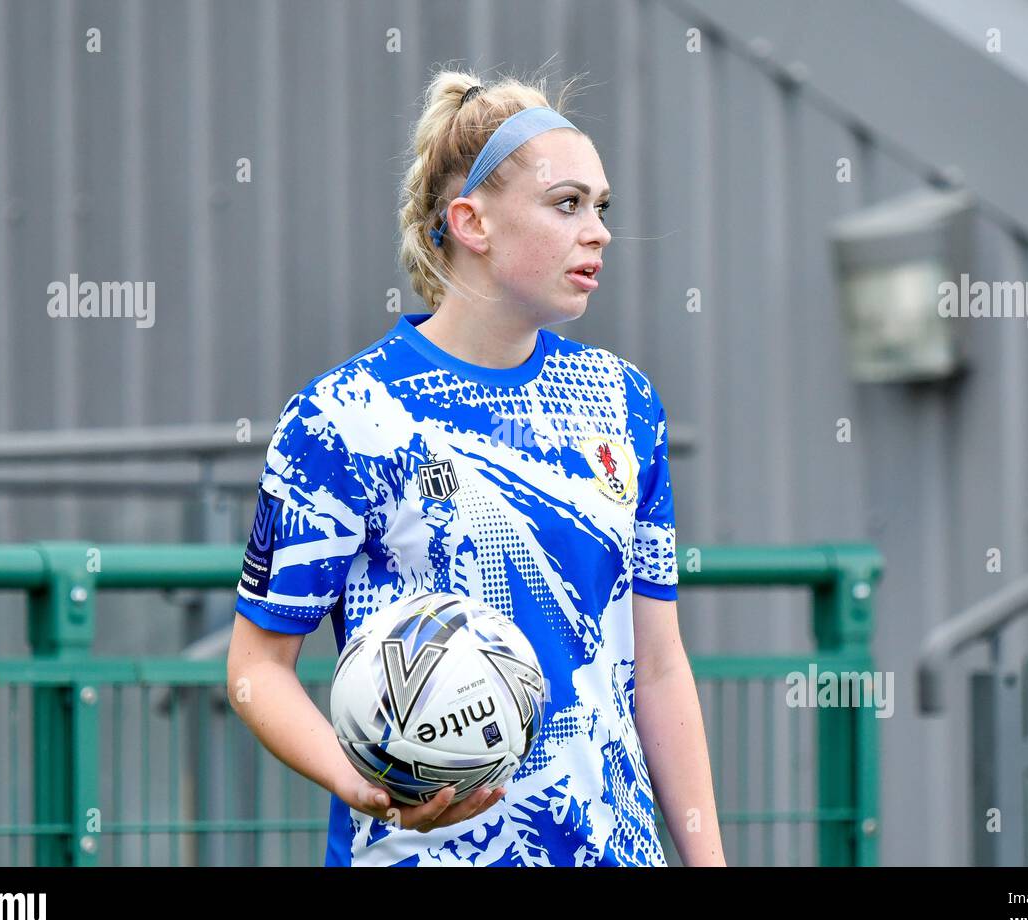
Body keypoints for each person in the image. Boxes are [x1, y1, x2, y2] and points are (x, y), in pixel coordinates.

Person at [227, 66, 724, 867]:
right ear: (471, 223)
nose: (596, 230)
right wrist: (367, 790)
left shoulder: (624, 404)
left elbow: (659, 669)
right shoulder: (343, 417)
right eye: (566, 204)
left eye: (601, 208)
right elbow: (256, 668)